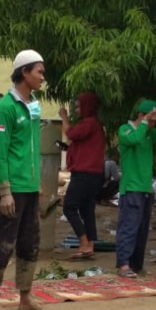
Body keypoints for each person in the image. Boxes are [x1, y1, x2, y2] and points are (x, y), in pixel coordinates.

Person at [0, 50, 53, 310]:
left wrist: (37, 184)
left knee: (29, 242)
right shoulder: (6, 108)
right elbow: (1, 153)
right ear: (24, 72)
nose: (42, 77)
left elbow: (30, 148)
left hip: (30, 187)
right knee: (3, 241)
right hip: (13, 189)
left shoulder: (33, 104)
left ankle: (25, 296)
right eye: (39, 72)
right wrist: (5, 190)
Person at [116, 99, 156, 277]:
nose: (152, 125)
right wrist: (144, 123)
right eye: (151, 120)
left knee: (142, 230)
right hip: (131, 188)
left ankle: (136, 265)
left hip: (146, 189)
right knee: (129, 227)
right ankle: (123, 265)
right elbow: (133, 139)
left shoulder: (147, 133)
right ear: (141, 116)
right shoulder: (125, 130)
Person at [59, 93, 106, 259]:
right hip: (94, 174)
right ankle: (90, 244)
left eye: (79, 106)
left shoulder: (89, 123)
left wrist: (64, 117)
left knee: (69, 207)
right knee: (87, 209)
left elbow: (70, 134)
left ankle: (84, 243)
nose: (77, 110)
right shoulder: (95, 125)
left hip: (84, 173)